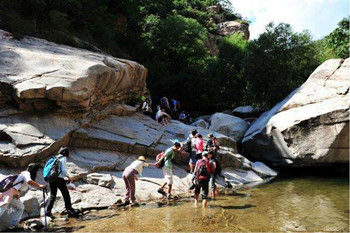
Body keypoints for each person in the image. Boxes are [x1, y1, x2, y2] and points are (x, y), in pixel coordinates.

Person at [0, 163, 46, 230]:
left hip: (13, 194)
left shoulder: (22, 174)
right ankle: (13, 224)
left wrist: (17, 194)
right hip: (9, 193)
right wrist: (39, 185)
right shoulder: (26, 173)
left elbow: (18, 186)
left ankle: (14, 225)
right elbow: (29, 181)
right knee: (2, 209)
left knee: (21, 207)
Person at [45, 147, 78, 218]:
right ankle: (69, 209)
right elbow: (63, 170)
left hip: (52, 178)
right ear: (65, 153)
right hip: (59, 179)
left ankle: (48, 212)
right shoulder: (63, 158)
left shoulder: (55, 158)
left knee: (52, 195)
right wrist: (68, 177)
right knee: (65, 194)